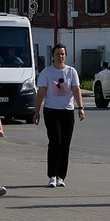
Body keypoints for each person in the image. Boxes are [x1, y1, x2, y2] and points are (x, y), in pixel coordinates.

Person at [33, 42, 82, 187]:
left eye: (62, 54)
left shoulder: (71, 71)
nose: (60, 56)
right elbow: (41, 92)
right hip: (51, 110)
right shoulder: (47, 72)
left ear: (65, 56)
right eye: (57, 54)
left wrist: (81, 107)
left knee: (65, 144)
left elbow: (76, 90)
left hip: (67, 111)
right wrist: (36, 112)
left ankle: (61, 176)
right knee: (56, 142)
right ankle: (52, 175)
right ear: (52, 56)